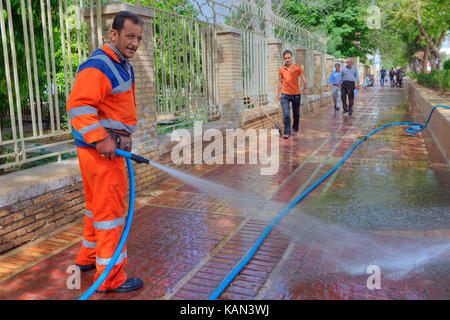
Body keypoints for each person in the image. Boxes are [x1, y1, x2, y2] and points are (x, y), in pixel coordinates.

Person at [66, 11, 144, 293]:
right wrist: (101, 139)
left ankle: (87, 258)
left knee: (95, 208)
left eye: (138, 38)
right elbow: (78, 107)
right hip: (102, 155)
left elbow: (112, 110)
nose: (135, 43)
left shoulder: (121, 64)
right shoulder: (100, 65)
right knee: (111, 212)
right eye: (129, 36)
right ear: (114, 35)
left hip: (103, 153)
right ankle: (111, 278)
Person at [277, 50, 307, 139]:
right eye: (285, 58)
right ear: (284, 59)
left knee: (296, 114)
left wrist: (304, 88)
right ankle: (287, 132)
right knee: (286, 114)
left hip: (296, 94)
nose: (287, 60)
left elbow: (304, 79)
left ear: (291, 57)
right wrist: (279, 93)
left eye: (289, 58)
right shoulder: (281, 69)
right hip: (285, 94)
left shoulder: (297, 68)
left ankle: (295, 128)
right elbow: (280, 82)